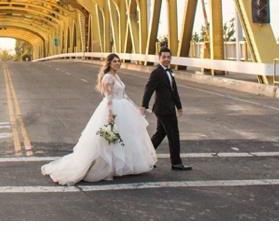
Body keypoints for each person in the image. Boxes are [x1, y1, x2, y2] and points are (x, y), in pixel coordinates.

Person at [42, 54, 157, 185]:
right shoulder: (108, 77)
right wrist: (110, 115)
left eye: (119, 61)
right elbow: (109, 97)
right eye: (115, 61)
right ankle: (105, 167)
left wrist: (136, 107)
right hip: (113, 109)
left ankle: (118, 166)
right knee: (109, 140)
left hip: (123, 107)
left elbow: (124, 95)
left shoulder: (116, 76)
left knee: (122, 138)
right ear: (109, 63)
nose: (118, 63)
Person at [139, 47, 192, 170]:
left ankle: (144, 157)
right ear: (159, 58)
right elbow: (149, 88)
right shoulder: (157, 72)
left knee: (159, 134)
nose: (166, 59)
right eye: (164, 57)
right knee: (173, 135)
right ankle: (176, 162)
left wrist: (179, 105)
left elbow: (174, 90)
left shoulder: (170, 71)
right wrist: (144, 105)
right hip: (163, 109)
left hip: (169, 108)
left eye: (168, 57)